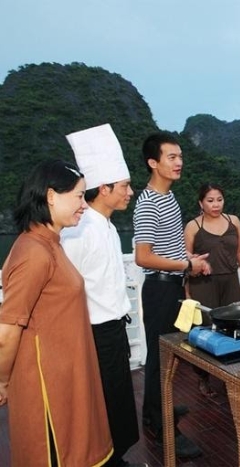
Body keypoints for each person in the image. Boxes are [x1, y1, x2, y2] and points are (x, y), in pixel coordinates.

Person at [0, 160, 113, 466]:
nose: (84, 206)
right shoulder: (34, 253)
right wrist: (1, 381)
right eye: (78, 197)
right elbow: (7, 328)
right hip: (48, 389)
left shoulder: (50, 244)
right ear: (51, 196)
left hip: (66, 376)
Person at [61, 124, 144, 467]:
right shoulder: (79, 231)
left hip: (112, 329)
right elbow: (64, 286)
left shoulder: (106, 226)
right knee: (101, 404)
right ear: (104, 188)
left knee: (117, 402)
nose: (129, 192)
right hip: (93, 334)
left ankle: (115, 458)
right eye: (124, 186)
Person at [133, 132, 210, 458]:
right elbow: (143, 256)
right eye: (171, 157)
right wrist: (185, 264)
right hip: (160, 289)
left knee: (170, 353)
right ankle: (162, 426)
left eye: (180, 156)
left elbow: (172, 244)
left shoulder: (169, 197)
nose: (179, 162)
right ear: (153, 163)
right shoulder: (149, 202)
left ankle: (156, 408)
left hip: (174, 285)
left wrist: (189, 266)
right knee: (160, 357)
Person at [184, 182, 240, 397]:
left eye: (219, 200)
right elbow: (186, 259)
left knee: (232, 326)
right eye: (210, 200)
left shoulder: (233, 221)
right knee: (205, 329)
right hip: (203, 284)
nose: (215, 205)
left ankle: (228, 373)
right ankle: (203, 377)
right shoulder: (193, 226)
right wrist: (187, 293)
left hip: (230, 281)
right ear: (201, 203)